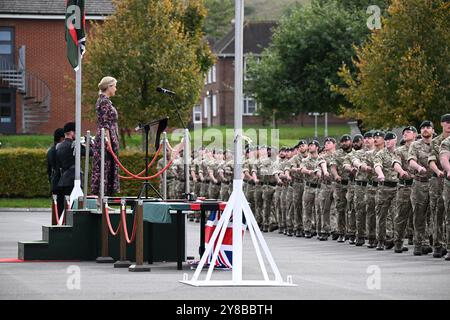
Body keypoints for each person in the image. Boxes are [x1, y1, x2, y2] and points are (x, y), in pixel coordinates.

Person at [91, 76, 120, 201]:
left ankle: (103, 201)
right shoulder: (104, 102)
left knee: (107, 167)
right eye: (114, 86)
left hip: (108, 137)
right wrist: (108, 141)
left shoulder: (105, 101)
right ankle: (101, 201)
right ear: (108, 87)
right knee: (104, 167)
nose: (116, 89)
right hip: (106, 138)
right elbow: (105, 124)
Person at [55, 122, 78, 216]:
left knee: (65, 207)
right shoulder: (73, 145)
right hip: (73, 179)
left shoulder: (59, 146)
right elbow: (91, 152)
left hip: (63, 180)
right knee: (73, 207)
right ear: (72, 132)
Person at [47, 128, 65, 194]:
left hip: (54, 184)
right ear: (62, 139)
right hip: (60, 185)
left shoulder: (50, 150)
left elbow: (49, 170)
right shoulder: (59, 150)